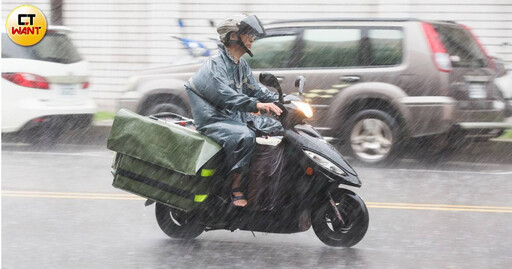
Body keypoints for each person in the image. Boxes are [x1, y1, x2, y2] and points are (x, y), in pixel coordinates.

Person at [185, 13, 283, 207]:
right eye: (248, 33)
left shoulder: (241, 65)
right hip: (214, 120)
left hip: (234, 117)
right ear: (232, 36)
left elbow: (255, 89)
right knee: (245, 136)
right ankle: (235, 187)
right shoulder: (215, 65)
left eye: (253, 34)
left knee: (276, 127)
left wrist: (282, 99)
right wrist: (257, 105)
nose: (252, 38)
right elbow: (225, 95)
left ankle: (264, 182)